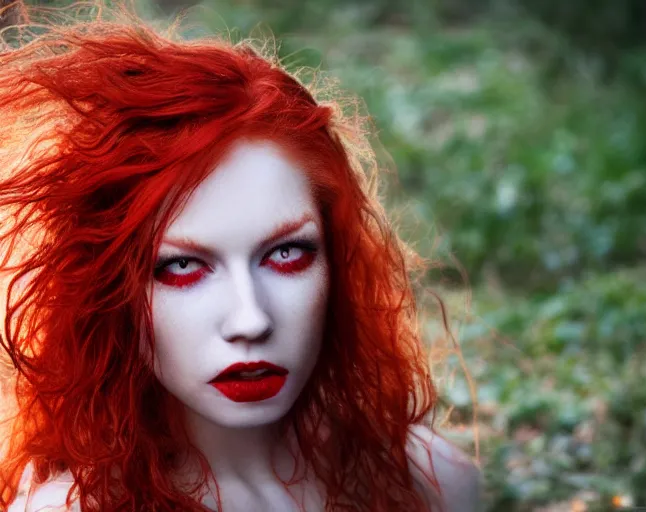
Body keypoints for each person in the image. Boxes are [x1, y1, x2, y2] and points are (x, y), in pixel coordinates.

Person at [0, 2, 481, 511]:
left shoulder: (433, 482)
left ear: (335, 263)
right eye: (182, 266)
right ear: (110, 291)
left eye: (287, 254)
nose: (250, 319)